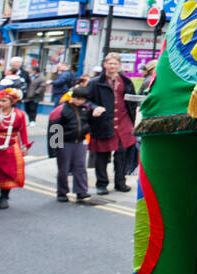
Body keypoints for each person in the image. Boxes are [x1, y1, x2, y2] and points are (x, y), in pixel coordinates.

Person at [88, 53, 138, 194]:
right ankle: (102, 184)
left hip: (123, 122)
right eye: (110, 63)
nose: (112, 66)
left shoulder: (126, 82)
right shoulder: (95, 82)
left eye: (115, 64)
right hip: (103, 122)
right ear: (105, 65)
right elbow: (86, 101)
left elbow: (132, 102)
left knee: (122, 154)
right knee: (102, 155)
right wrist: (94, 107)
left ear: (119, 65)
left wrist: (132, 119)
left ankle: (120, 182)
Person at [48, 85, 99, 203]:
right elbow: (54, 129)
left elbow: (89, 122)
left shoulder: (85, 108)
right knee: (63, 169)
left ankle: (81, 191)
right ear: (73, 97)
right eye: (78, 99)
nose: (80, 101)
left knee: (80, 167)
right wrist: (54, 149)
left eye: (83, 99)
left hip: (80, 141)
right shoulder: (61, 110)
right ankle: (62, 192)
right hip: (65, 143)